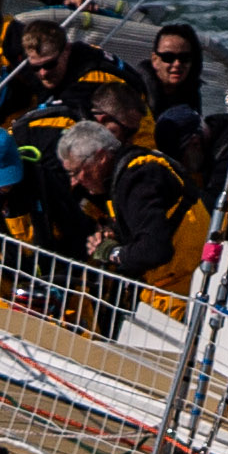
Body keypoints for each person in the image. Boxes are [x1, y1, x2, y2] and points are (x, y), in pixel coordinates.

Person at [63, 117, 201, 324]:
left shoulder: (137, 179)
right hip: (171, 289)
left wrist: (111, 252)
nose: (74, 181)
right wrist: (114, 235)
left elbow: (155, 250)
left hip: (179, 298)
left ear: (101, 157)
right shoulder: (133, 169)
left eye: (76, 172)